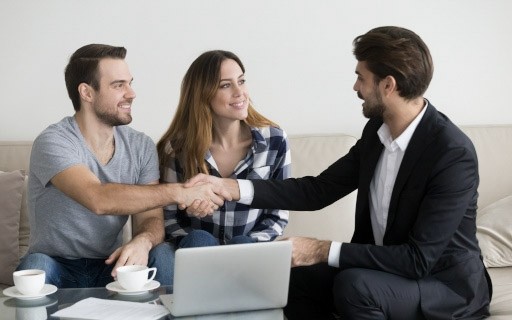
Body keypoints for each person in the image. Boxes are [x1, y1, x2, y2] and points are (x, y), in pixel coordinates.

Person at [185, 27, 492, 319]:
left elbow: (417, 259)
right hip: (384, 273)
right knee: (292, 278)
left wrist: (320, 249)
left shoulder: (452, 154)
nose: (356, 87)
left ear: (388, 85)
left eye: (361, 77)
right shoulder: (377, 132)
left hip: (444, 287)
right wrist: (231, 188)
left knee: (356, 286)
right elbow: (317, 190)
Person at [17, 44, 230, 288]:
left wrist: (144, 240)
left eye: (129, 83)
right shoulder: (53, 141)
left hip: (111, 265)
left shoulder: (140, 146)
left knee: (161, 254)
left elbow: (150, 217)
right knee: (36, 267)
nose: (131, 93)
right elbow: (97, 198)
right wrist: (180, 192)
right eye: (119, 85)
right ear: (87, 93)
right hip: (55, 265)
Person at [157, 50, 291, 248]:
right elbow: (169, 218)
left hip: (247, 252)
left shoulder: (274, 141)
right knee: (198, 239)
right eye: (226, 85)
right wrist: (189, 209)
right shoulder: (177, 149)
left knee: (242, 245)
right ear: (203, 94)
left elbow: (278, 214)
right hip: (196, 252)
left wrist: (248, 245)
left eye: (241, 81)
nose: (239, 92)